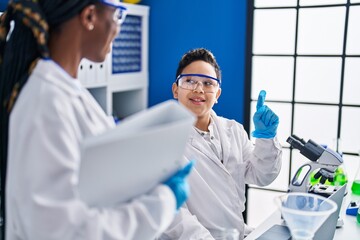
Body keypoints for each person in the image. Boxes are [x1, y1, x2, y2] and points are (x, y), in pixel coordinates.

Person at [0, 0, 193, 239]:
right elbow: (59, 231)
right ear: (90, 16)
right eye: (118, 16)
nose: (119, 28)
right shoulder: (46, 101)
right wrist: (162, 202)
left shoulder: (67, 91)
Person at [159, 48, 282, 239]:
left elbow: (262, 175)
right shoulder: (163, 142)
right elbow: (174, 214)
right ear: (176, 90)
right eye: (189, 81)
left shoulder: (234, 131)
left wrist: (266, 138)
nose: (198, 89)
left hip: (235, 233)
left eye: (208, 83)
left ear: (217, 94)